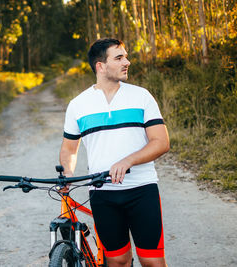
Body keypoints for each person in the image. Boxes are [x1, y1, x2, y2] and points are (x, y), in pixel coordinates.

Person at [59, 38, 170, 267]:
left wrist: (128, 160)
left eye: (125, 57)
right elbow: (70, 148)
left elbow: (161, 142)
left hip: (142, 190)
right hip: (102, 194)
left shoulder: (141, 96)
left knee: (152, 262)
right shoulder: (78, 104)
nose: (127, 62)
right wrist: (68, 173)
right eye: (119, 58)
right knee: (117, 260)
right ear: (100, 66)